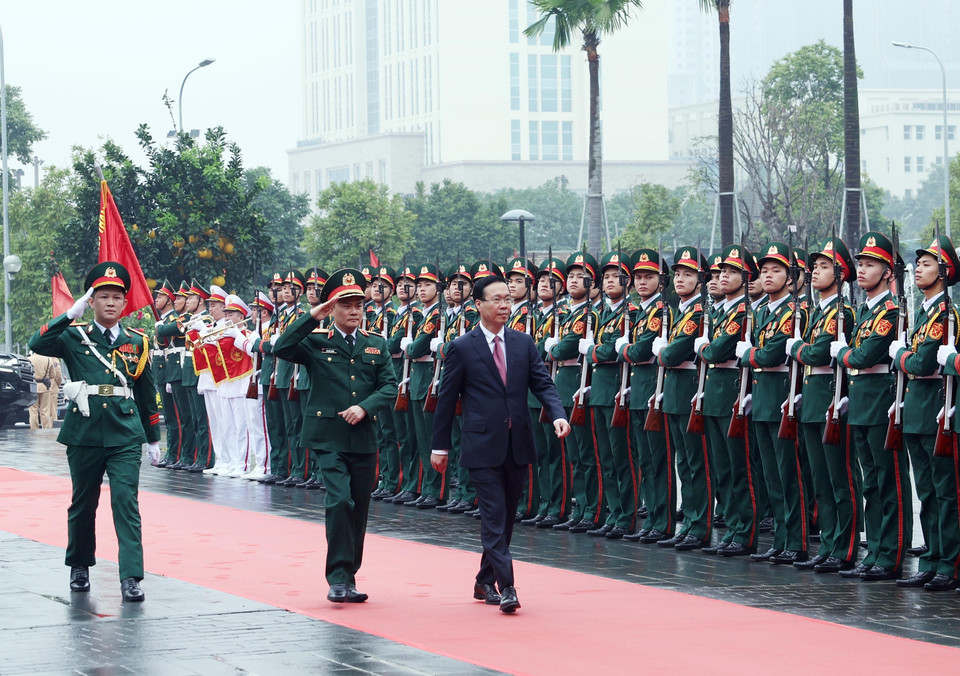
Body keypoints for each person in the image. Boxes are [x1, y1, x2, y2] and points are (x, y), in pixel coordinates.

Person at [431, 275, 570, 613]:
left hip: (518, 441)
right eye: (496, 299)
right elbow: (446, 401)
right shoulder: (462, 347)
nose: (505, 305)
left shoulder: (523, 343)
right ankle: (506, 586)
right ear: (478, 304)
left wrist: (557, 415)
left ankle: (483, 579)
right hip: (481, 444)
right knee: (494, 515)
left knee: (507, 517)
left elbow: (543, 383)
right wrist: (440, 446)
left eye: (507, 299)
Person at [28, 261, 161, 602]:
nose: (112, 303)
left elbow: (146, 390)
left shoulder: (138, 341)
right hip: (84, 431)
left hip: (125, 432)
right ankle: (80, 566)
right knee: (83, 503)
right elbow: (37, 343)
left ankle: (131, 576)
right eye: (103, 296)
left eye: (118, 296)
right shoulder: (74, 336)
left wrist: (154, 438)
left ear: (124, 302)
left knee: (125, 503)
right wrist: (69, 314)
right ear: (93, 301)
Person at [274, 268, 397, 603]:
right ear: (333, 308)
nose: (354, 310)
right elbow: (281, 346)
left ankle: (350, 576)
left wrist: (365, 407)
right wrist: (313, 314)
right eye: (345, 304)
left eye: (359, 304)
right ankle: (338, 578)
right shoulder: (315, 342)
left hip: (362, 437)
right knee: (340, 500)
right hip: (327, 436)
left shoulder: (376, 344)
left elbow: (389, 385)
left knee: (358, 509)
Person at [28, 351, 62, 429]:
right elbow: (53, 374)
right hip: (45, 387)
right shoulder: (48, 359)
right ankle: (46, 429)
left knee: (33, 411)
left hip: (33, 387)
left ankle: (34, 429)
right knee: (45, 410)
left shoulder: (29, 359)